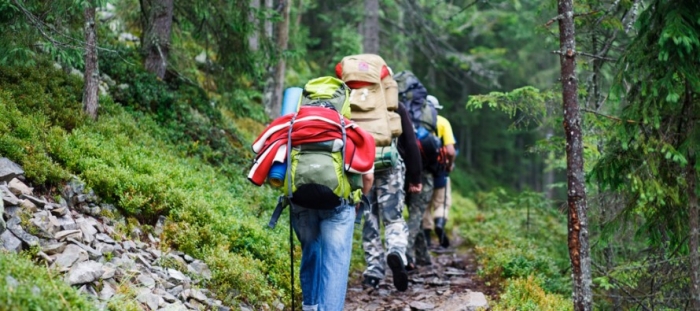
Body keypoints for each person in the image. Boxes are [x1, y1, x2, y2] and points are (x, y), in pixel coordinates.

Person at [361, 101, 423, 292]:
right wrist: (415, 176)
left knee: (369, 218)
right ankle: (396, 252)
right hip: (390, 164)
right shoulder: (394, 104)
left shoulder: (355, 102)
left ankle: (373, 272)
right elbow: (411, 143)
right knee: (393, 218)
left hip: (363, 165)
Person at [422, 96, 457, 249]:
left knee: (424, 204)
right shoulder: (443, 122)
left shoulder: (416, 122)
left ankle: (426, 238)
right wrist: (449, 165)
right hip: (439, 170)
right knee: (441, 202)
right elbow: (450, 150)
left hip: (421, 170)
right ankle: (440, 223)